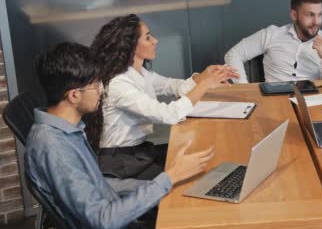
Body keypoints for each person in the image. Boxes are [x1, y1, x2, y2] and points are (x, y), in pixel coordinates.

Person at [25, 42, 215, 229]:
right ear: (73, 95)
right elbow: (104, 220)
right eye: (95, 84)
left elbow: (102, 184)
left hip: (121, 228)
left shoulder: (63, 130)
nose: (102, 90)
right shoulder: (55, 148)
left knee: (200, 222)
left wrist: (168, 183)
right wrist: (167, 179)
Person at [86, 14, 238, 180]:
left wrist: (204, 76)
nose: (155, 41)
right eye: (148, 37)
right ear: (130, 46)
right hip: (120, 162)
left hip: (139, 151)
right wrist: (204, 84)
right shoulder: (118, 84)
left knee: (200, 156)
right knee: (195, 172)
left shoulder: (138, 72)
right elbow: (169, 115)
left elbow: (171, 86)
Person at [224, 0, 322, 83]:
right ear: (294, 15)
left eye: (319, 14)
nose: (316, 22)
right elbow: (233, 54)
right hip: (274, 104)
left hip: (312, 106)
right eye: (310, 15)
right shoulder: (271, 34)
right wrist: (246, 90)